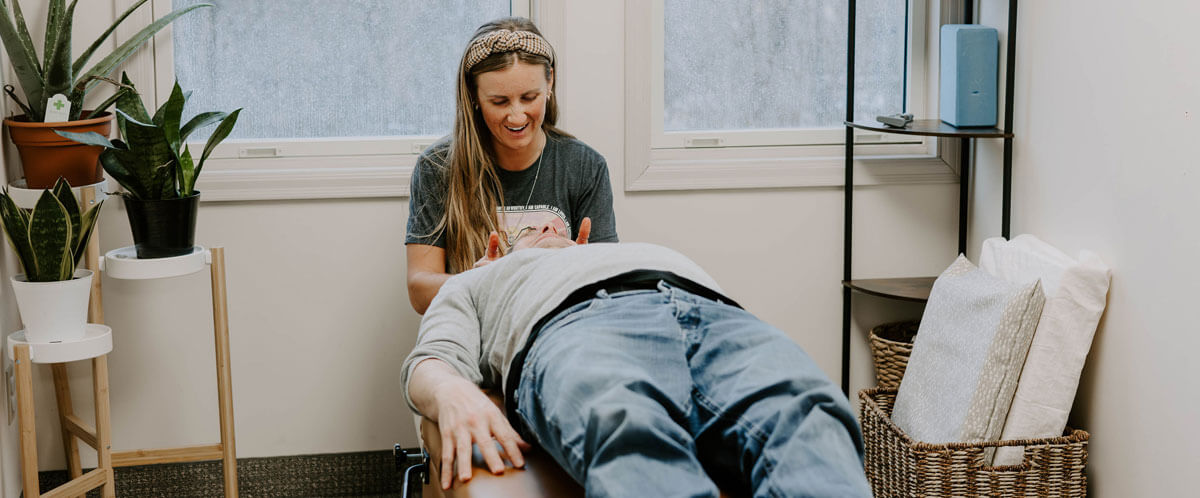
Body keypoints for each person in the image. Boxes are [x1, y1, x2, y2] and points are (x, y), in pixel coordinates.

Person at [402, 223, 871, 497]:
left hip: (714, 316)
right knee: (624, 421)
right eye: (529, 229)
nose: (547, 227)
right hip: (574, 324)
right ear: (500, 249)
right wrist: (450, 392)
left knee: (810, 411)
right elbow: (431, 360)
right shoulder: (479, 281)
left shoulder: (625, 248)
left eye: (556, 224)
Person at [405, 17, 618, 314]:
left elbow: (612, 289)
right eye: (500, 102)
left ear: (550, 83)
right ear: (474, 96)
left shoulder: (584, 166)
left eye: (529, 97)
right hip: (473, 328)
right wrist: (483, 279)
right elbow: (419, 289)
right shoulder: (437, 166)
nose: (517, 117)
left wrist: (584, 272)